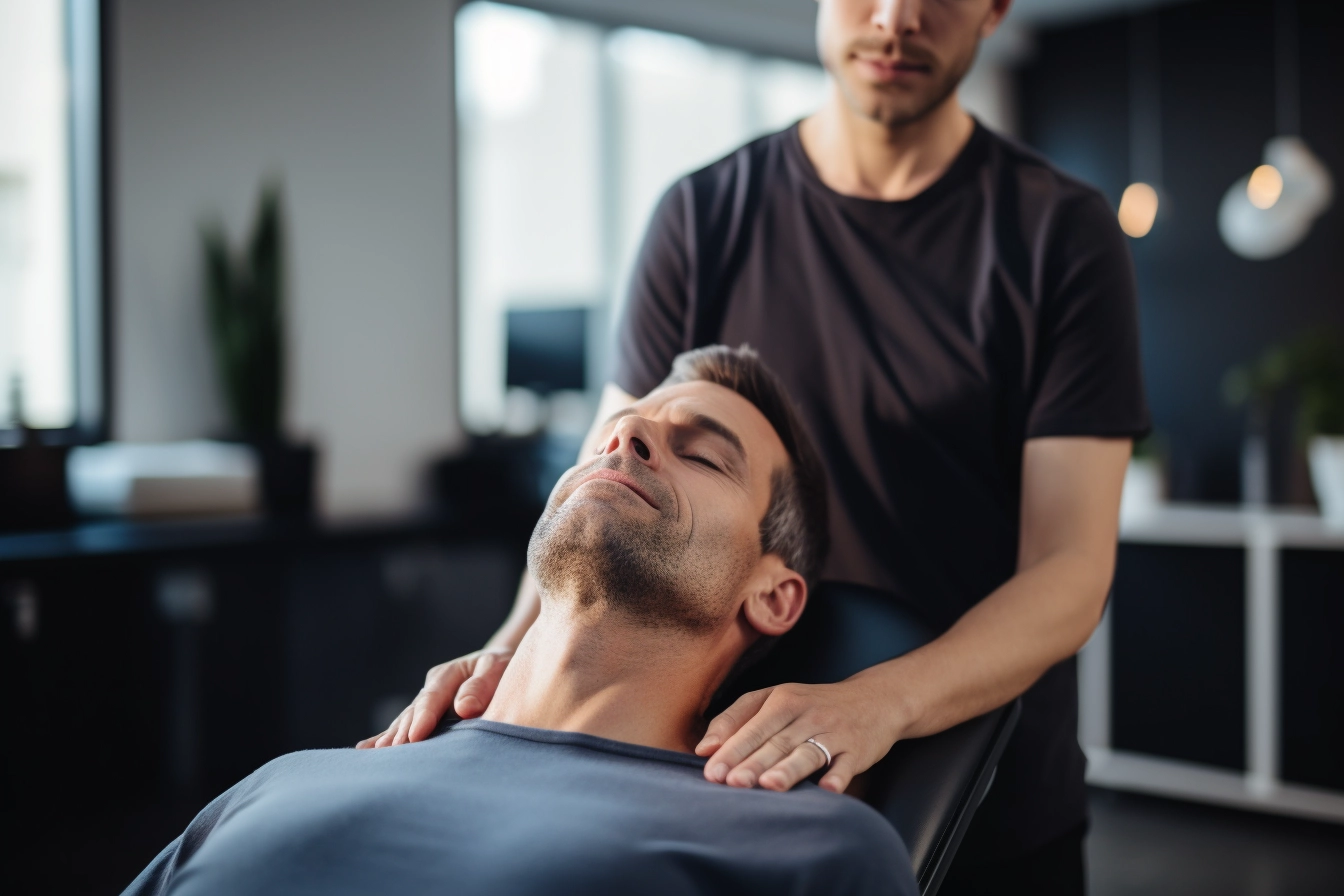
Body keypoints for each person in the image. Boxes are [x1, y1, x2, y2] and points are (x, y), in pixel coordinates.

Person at [364, 0, 1149, 892]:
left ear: (996, 9)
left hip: (983, 794)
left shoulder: (1059, 235)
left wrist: (879, 701)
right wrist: (506, 660)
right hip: (721, 782)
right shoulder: (703, 218)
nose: (897, 20)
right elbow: (604, 480)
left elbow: (1069, 570)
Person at [124, 347, 916, 896]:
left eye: (703, 455)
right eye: (617, 430)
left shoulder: (807, 852)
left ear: (773, 594)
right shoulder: (282, 782)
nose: (627, 435)